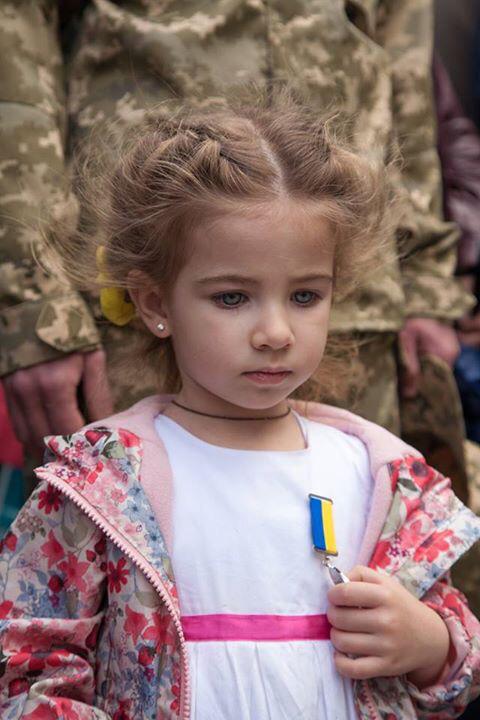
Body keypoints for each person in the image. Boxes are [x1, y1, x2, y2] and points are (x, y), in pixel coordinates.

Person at [1, 101, 479, 720]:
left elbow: (456, 669)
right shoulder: (104, 481)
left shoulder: (378, 474)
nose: (276, 331)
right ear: (154, 302)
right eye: (233, 297)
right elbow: (29, 667)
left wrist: (429, 642)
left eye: (306, 295)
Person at [0, 1, 472, 499]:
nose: (274, 334)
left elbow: (404, 64)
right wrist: (34, 302)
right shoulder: (112, 451)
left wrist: (425, 281)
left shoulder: (369, 452)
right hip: (143, 294)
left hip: (359, 309)